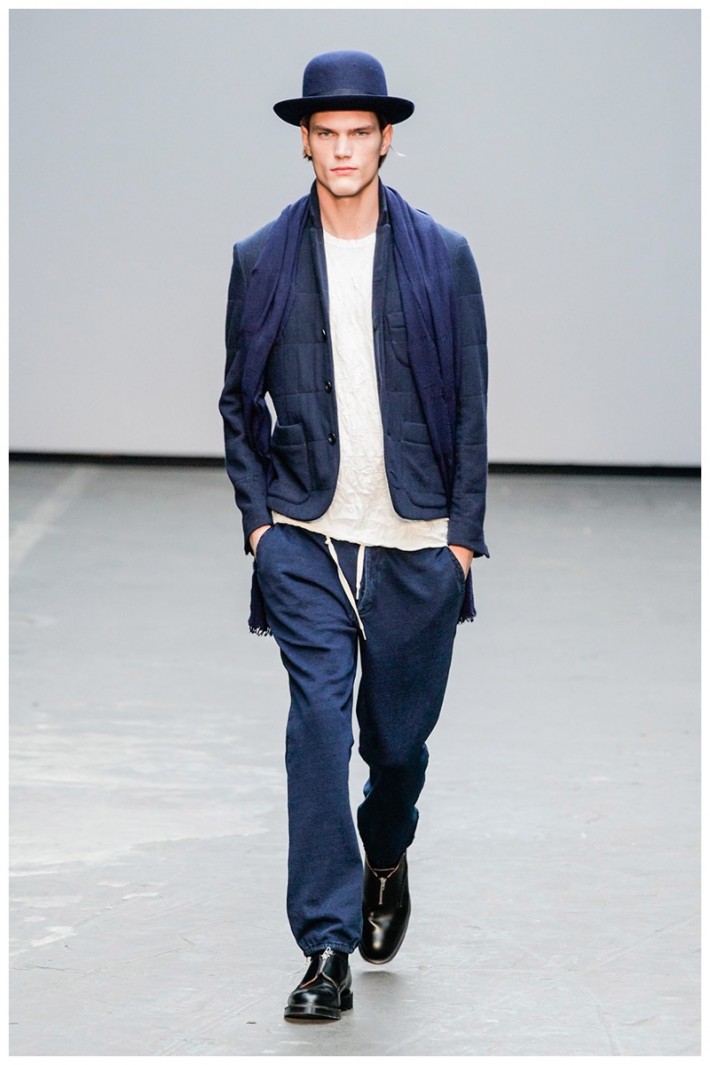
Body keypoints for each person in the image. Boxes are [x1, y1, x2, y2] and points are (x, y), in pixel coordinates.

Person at [219, 49, 489, 1022]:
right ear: (305, 141)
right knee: (318, 729)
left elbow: (470, 405)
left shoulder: (442, 255)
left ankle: (386, 850)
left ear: (385, 141)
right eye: (325, 133)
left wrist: (462, 542)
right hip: (306, 536)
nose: (341, 149)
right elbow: (235, 401)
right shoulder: (261, 258)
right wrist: (260, 527)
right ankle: (325, 948)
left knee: (395, 746)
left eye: (358, 133)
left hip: (417, 540)